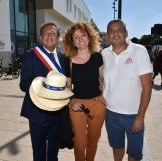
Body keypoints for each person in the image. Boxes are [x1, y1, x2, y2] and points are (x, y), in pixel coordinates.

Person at [101, 20, 152, 161]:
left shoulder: (139, 51)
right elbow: (102, 78)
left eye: (119, 30)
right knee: (117, 149)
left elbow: (147, 87)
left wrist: (140, 116)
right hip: (110, 113)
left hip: (133, 115)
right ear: (107, 35)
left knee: (134, 155)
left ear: (126, 32)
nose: (115, 33)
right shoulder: (104, 53)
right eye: (111, 30)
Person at [19, 22, 70, 161]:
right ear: (41, 38)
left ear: (58, 37)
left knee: (54, 149)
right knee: (39, 151)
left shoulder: (63, 57)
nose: (49, 36)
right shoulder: (31, 56)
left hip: (57, 113)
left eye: (53, 33)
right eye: (46, 33)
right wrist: (42, 88)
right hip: (37, 112)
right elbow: (23, 84)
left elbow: (67, 83)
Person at [62, 22, 106, 161]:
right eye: (76, 37)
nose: (80, 39)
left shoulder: (98, 57)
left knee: (93, 142)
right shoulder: (68, 61)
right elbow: (67, 87)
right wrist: (71, 101)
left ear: (89, 37)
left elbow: (102, 80)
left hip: (98, 104)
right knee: (79, 144)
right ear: (72, 42)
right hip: (77, 106)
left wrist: (105, 97)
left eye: (83, 35)